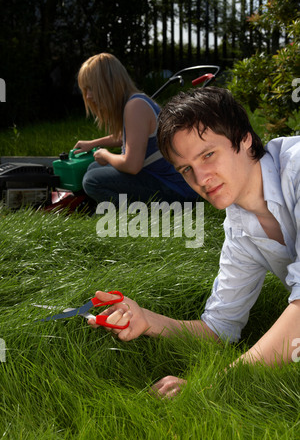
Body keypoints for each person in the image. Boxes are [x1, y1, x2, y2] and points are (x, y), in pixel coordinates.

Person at [88, 87, 300, 398]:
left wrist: (215, 384)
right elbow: (219, 329)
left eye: (208, 155)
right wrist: (148, 320)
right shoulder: (239, 225)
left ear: (244, 138)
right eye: (186, 169)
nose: (201, 179)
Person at [74, 52, 198, 206]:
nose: (88, 96)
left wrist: (105, 155)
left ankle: (134, 214)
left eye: (91, 88)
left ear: (107, 85)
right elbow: (132, 138)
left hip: (176, 190)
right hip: (170, 183)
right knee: (94, 167)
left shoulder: (135, 107)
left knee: (92, 181)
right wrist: (93, 143)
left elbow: (132, 166)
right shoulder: (137, 100)